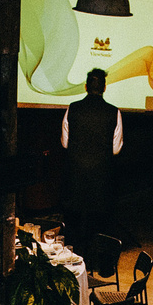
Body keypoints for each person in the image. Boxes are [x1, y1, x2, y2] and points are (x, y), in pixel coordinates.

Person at [60, 68, 123, 275]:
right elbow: (115, 149)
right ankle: (104, 268)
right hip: (101, 180)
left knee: (75, 226)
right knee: (102, 224)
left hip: (75, 179)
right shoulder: (114, 112)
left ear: (86, 86)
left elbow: (65, 142)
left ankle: (75, 270)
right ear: (104, 88)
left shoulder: (72, 108)